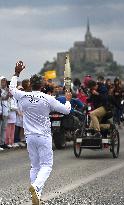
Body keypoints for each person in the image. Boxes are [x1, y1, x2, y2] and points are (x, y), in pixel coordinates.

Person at [9, 61, 71, 205]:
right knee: (47, 165)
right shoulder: (48, 98)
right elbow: (66, 110)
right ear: (42, 86)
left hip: (29, 137)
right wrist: (68, 100)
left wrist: (16, 73)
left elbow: (12, 88)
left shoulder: (22, 96)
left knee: (35, 166)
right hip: (43, 136)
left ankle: (36, 196)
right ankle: (36, 187)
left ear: (30, 84)